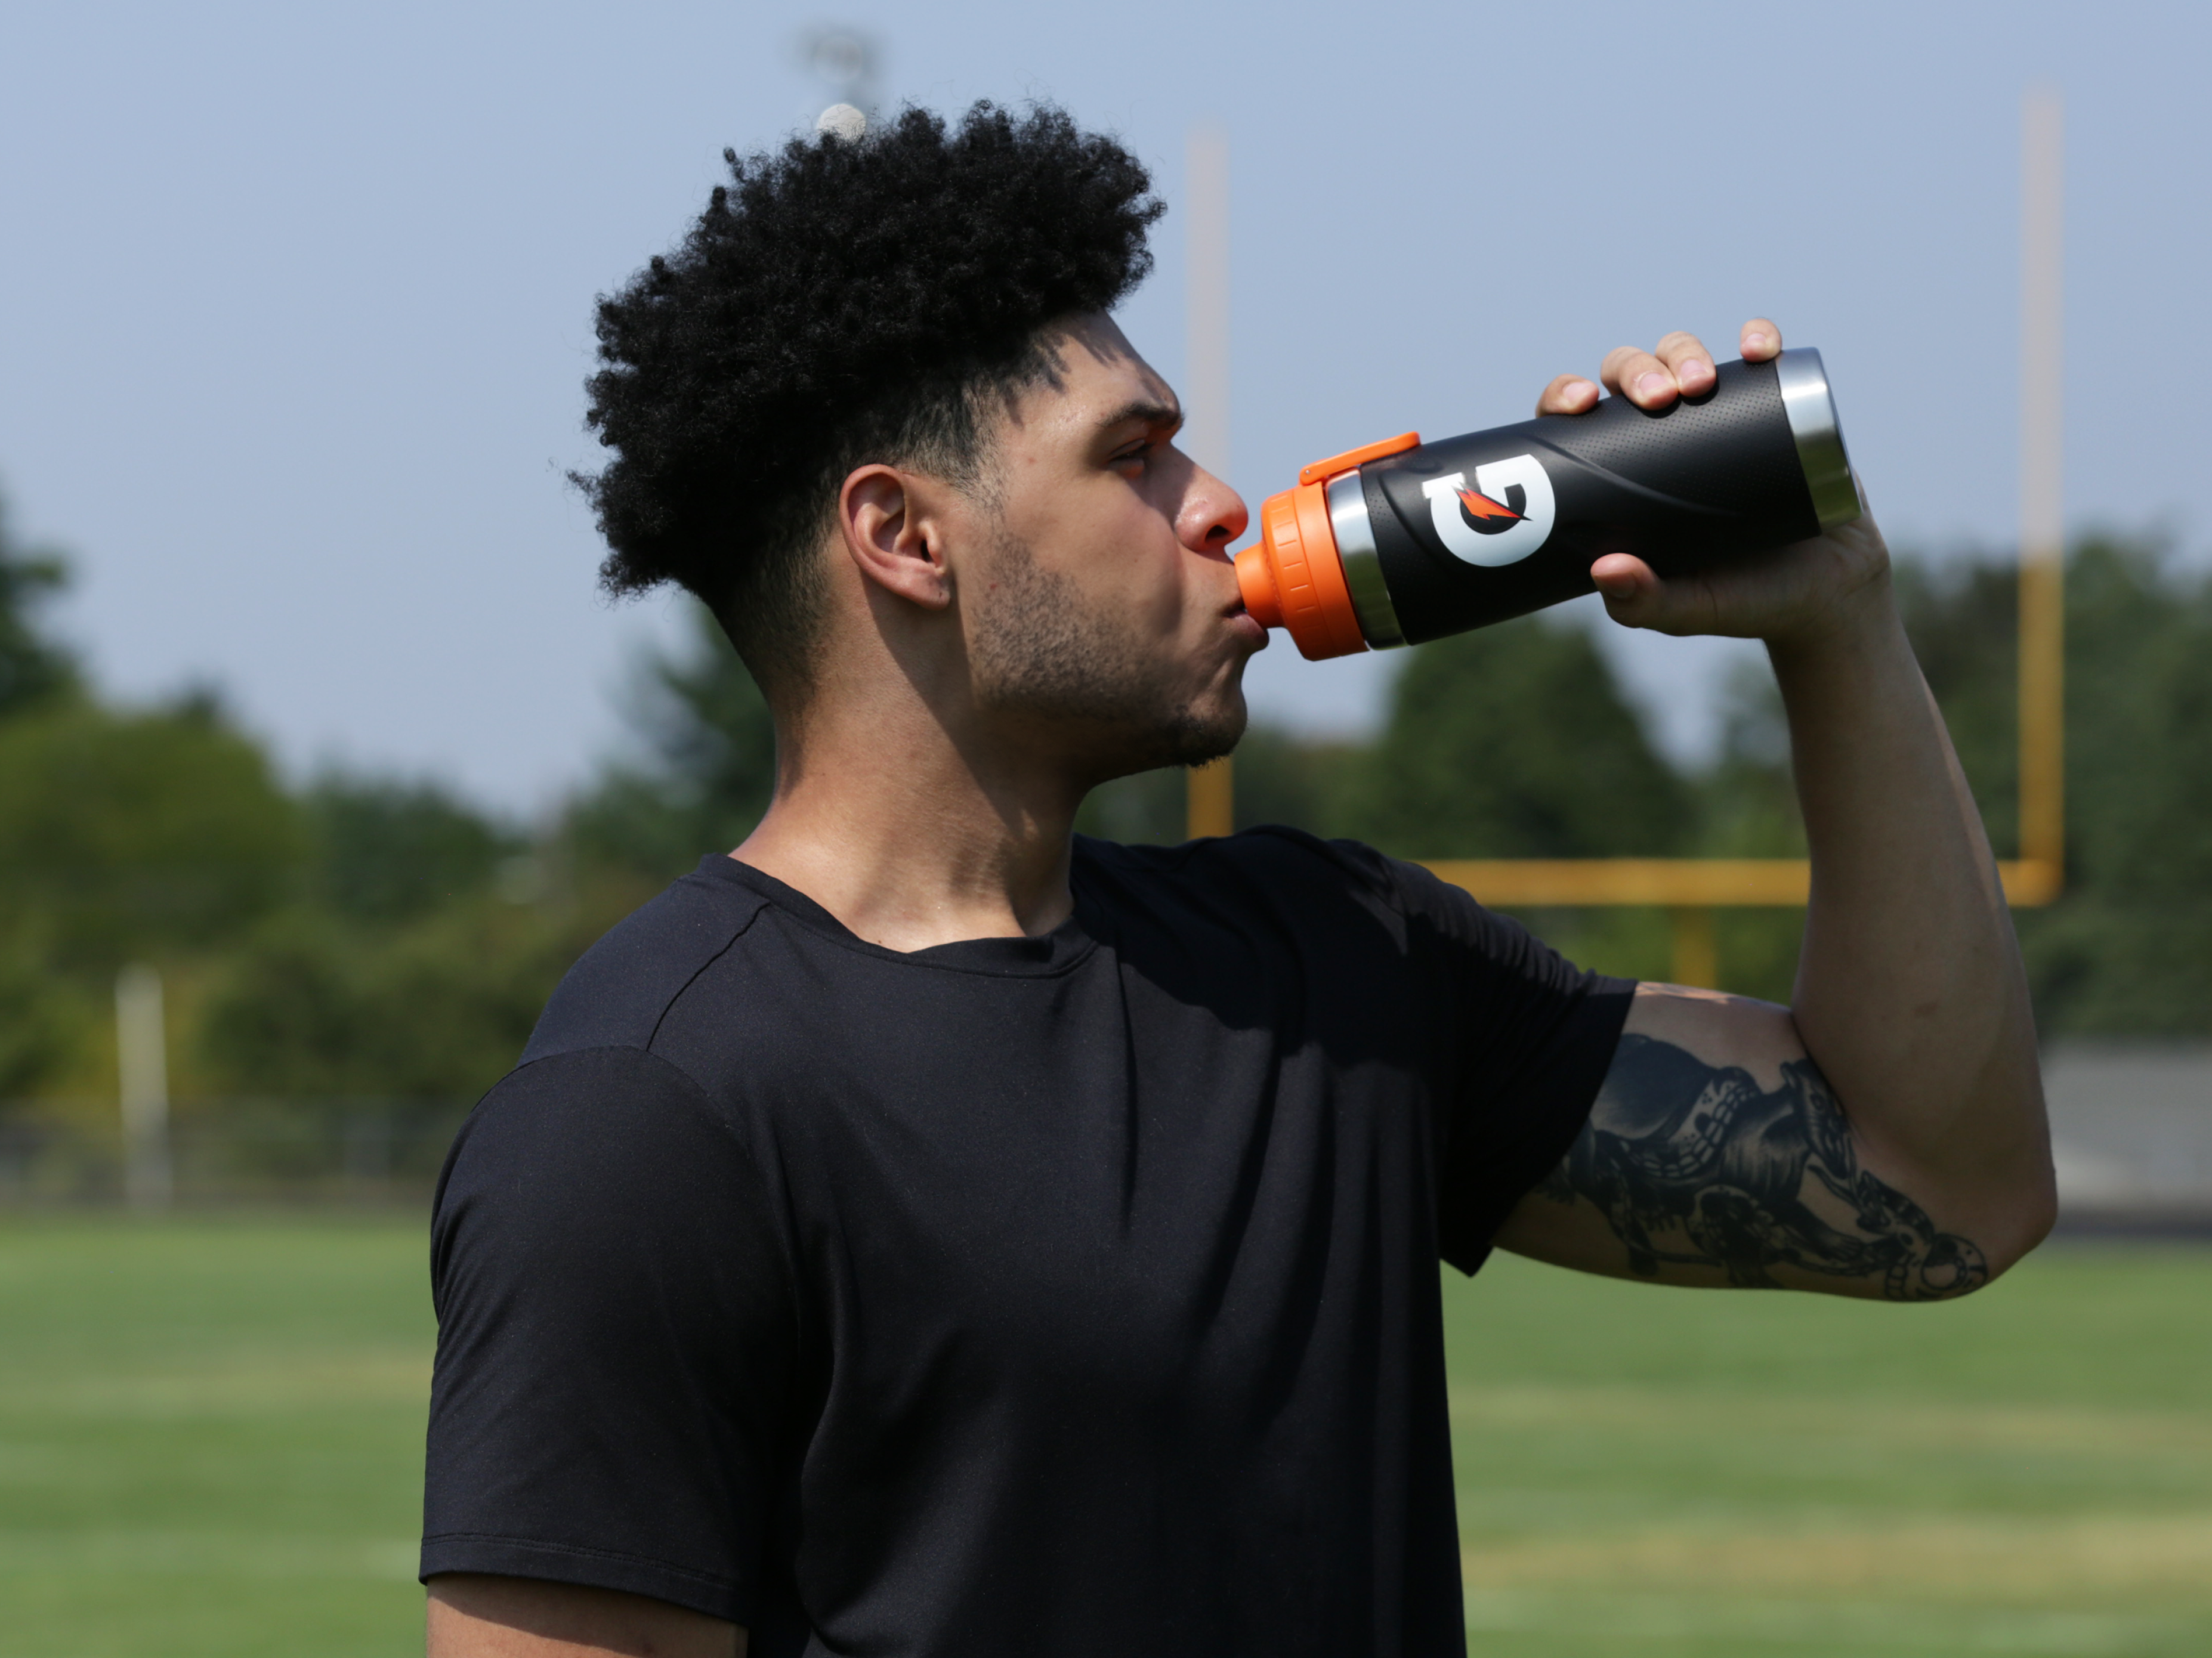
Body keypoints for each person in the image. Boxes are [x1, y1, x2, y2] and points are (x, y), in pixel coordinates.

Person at [419, 103, 2054, 1658]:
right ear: (904, 536)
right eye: (1132, 458)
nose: (1215, 505)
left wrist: (1835, 624)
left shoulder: (1333, 962)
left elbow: (1934, 1185)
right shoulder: (648, 1110)